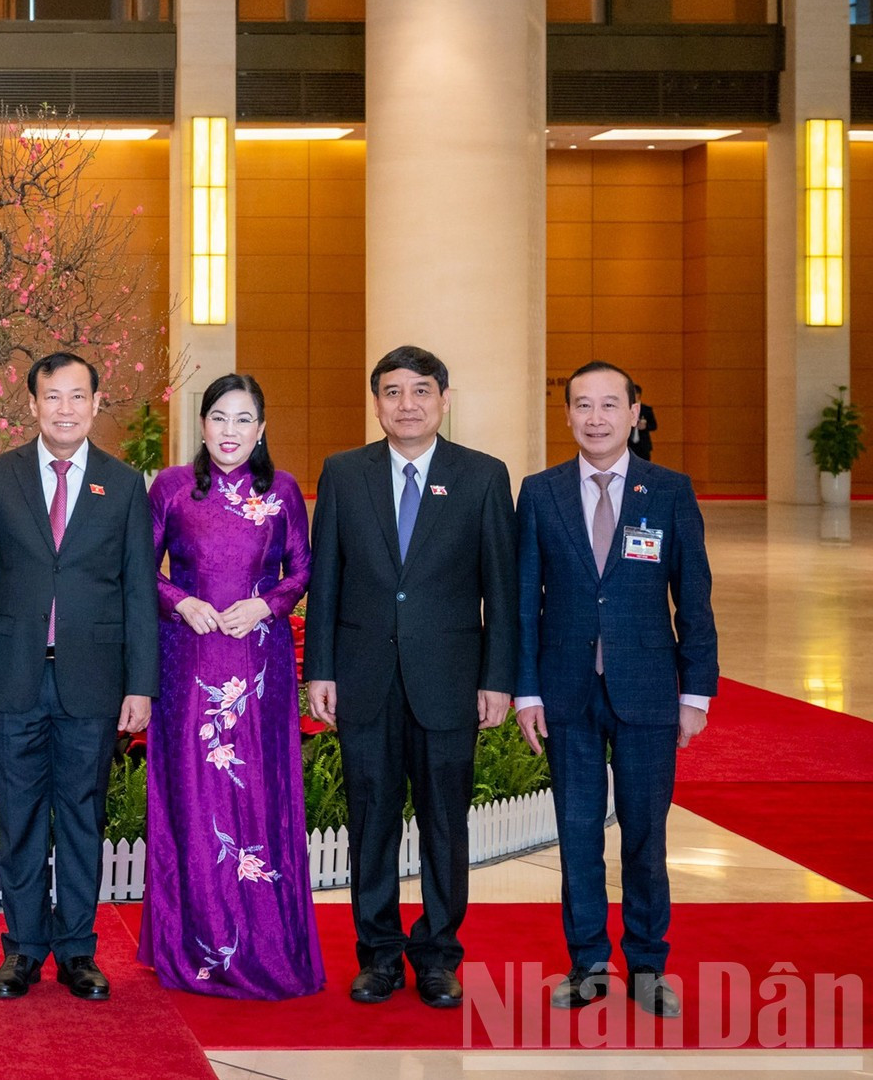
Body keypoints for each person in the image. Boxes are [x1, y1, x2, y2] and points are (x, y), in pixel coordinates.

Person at [303, 344, 516, 1011]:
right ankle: (379, 956)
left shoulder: (482, 477)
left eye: (420, 391)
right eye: (392, 392)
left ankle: (438, 956)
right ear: (377, 403)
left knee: (446, 823)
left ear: (443, 400)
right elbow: (326, 581)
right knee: (371, 822)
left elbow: (501, 592)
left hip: (449, 678)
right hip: (365, 677)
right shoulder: (344, 473)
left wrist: (499, 677)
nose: (407, 404)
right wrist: (321, 670)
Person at [515, 361, 717, 1019]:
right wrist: (525, 692)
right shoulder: (540, 493)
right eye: (582, 405)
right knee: (575, 833)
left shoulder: (669, 491)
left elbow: (694, 599)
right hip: (566, 688)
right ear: (567, 414)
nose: (595, 417)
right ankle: (587, 964)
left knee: (644, 835)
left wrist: (696, 695)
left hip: (648, 689)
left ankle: (650, 964)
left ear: (635, 413)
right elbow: (522, 604)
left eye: (609, 405)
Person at [0, 351, 157, 1002]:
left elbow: (138, 589)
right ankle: (21, 950)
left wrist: (141, 684)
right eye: (53, 397)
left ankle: (78, 950)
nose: (66, 408)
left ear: (96, 404)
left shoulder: (125, 484)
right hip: (13, 674)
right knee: (17, 816)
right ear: (33, 405)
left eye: (78, 397)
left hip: (94, 680)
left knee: (82, 815)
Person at [138, 374, 323, 999]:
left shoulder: (284, 492)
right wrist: (179, 600)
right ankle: (194, 942)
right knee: (195, 796)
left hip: (259, 667)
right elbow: (136, 568)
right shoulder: (171, 487)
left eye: (244, 420)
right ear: (202, 423)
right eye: (219, 418)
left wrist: (268, 605)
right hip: (188, 663)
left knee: (258, 794)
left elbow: (302, 568)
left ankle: (266, 941)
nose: (230, 432)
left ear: (262, 428)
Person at [629, 399, 659, 464]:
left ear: (638, 395)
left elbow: (654, 426)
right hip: (629, 444)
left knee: (645, 466)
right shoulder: (627, 408)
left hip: (643, 444)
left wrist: (645, 426)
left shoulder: (646, 409)